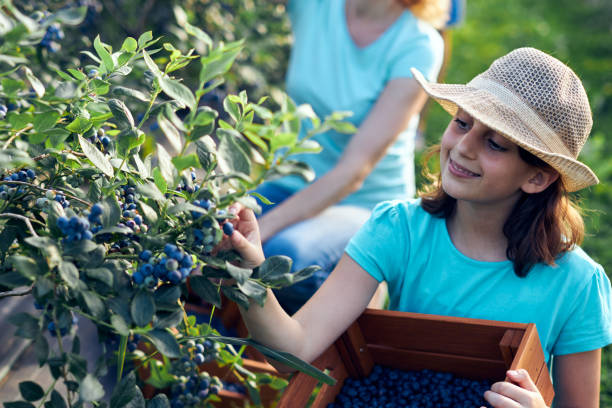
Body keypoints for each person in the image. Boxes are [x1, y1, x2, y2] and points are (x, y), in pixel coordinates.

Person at [223, 47, 612, 407]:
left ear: (537, 179)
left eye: (494, 144)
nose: (463, 147)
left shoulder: (576, 284)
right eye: (461, 123)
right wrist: (250, 271)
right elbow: (295, 351)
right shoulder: (397, 230)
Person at [254, 0, 449, 314]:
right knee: (203, 230)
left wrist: (260, 230)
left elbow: (353, 171)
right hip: (288, 182)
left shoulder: (418, 44)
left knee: (280, 259)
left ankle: (357, 300)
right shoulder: (316, 6)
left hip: (362, 202)